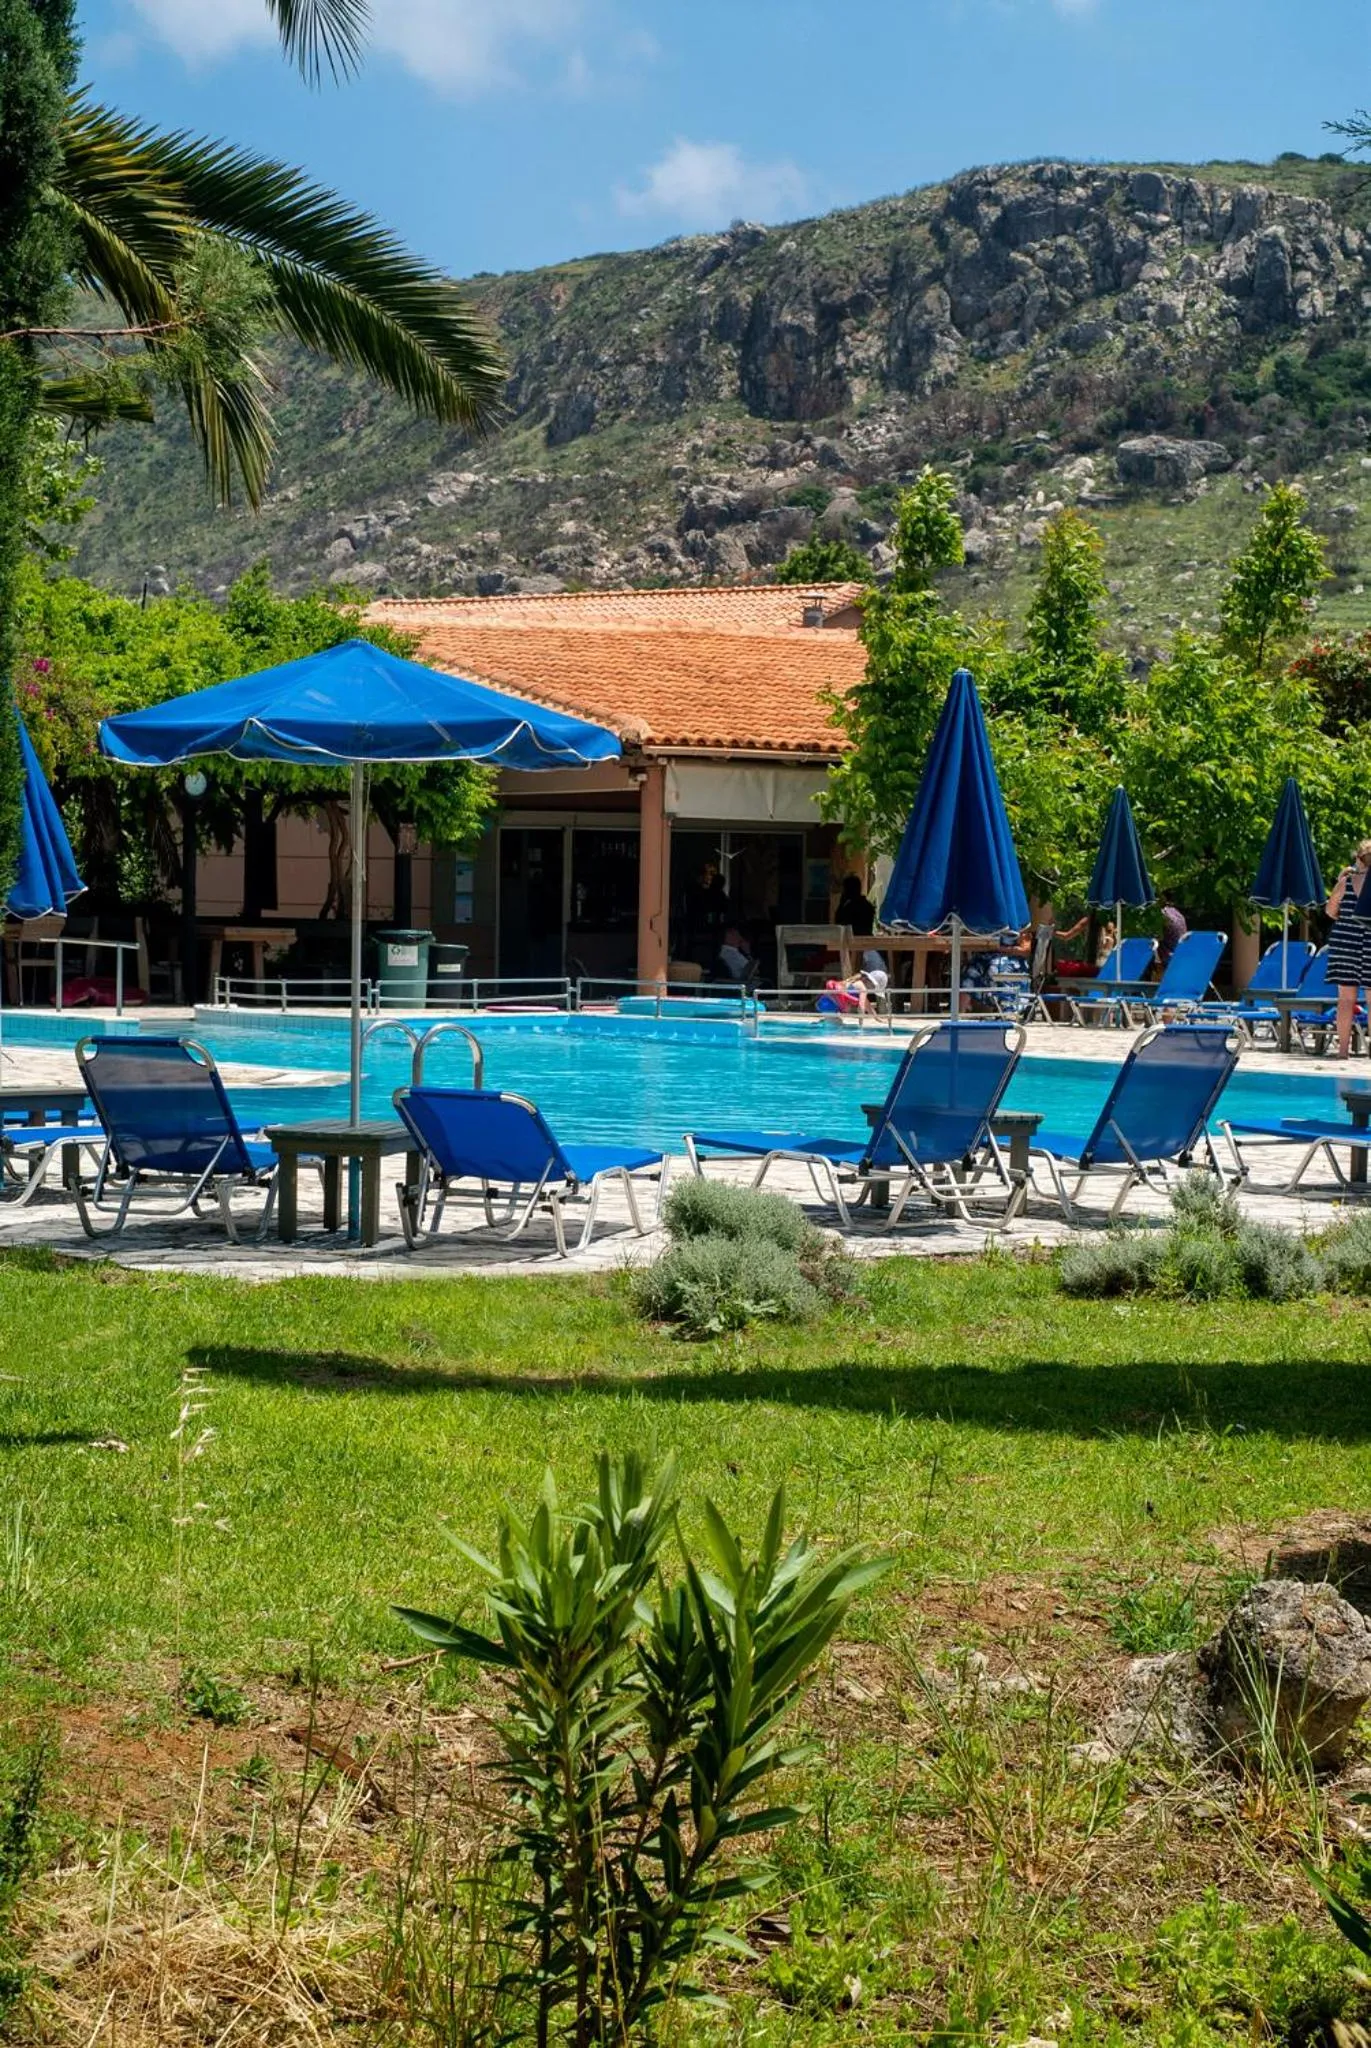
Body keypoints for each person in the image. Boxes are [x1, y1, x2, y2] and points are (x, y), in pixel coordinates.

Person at [1326, 841, 1371, 1057]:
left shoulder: (1346, 882)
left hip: (1346, 941)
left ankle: (1343, 1051)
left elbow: (1330, 910)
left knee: (1345, 999)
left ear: (1359, 859)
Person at [836, 872, 876, 938]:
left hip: (854, 942)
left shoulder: (850, 908)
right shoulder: (867, 905)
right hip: (866, 942)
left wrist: (841, 903)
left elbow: (839, 923)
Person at [1157, 891, 1188, 976]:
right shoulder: (1179, 915)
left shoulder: (1162, 914)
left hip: (1167, 962)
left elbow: (1154, 939)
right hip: (1181, 958)